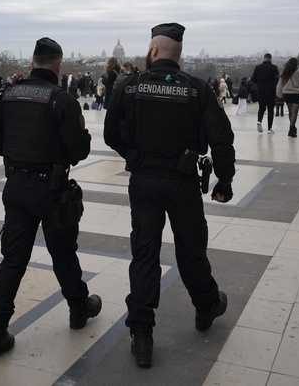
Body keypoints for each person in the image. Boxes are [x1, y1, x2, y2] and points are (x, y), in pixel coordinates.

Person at [104, 23, 236, 369]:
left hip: (144, 179)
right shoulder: (196, 90)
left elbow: (109, 133)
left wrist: (134, 155)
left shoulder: (129, 86)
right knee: (191, 250)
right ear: (179, 54)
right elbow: (222, 136)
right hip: (183, 181)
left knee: (144, 253)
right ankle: (206, 303)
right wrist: (225, 179)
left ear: (153, 51)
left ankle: (142, 333)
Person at [0, 37, 102, 357]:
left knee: (14, 258)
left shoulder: (6, 96)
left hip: (17, 185)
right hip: (52, 188)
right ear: (58, 65)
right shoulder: (61, 100)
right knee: (63, 252)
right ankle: (78, 308)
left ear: (32, 62)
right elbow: (78, 150)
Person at [276, 57, 299, 138]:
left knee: (290, 112)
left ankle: (292, 128)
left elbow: (281, 83)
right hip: (297, 93)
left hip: (287, 93)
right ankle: (291, 128)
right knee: (295, 112)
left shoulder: (285, 71)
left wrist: (279, 94)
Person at [250, 53, 279, 134]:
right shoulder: (274, 68)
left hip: (261, 91)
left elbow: (253, 79)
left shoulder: (258, 67)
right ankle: (269, 129)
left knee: (261, 108)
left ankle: (259, 121)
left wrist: (259, 83)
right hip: (271, 92)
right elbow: (277, 80)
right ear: (270, 59)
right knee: (270, 110)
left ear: (264, 58)